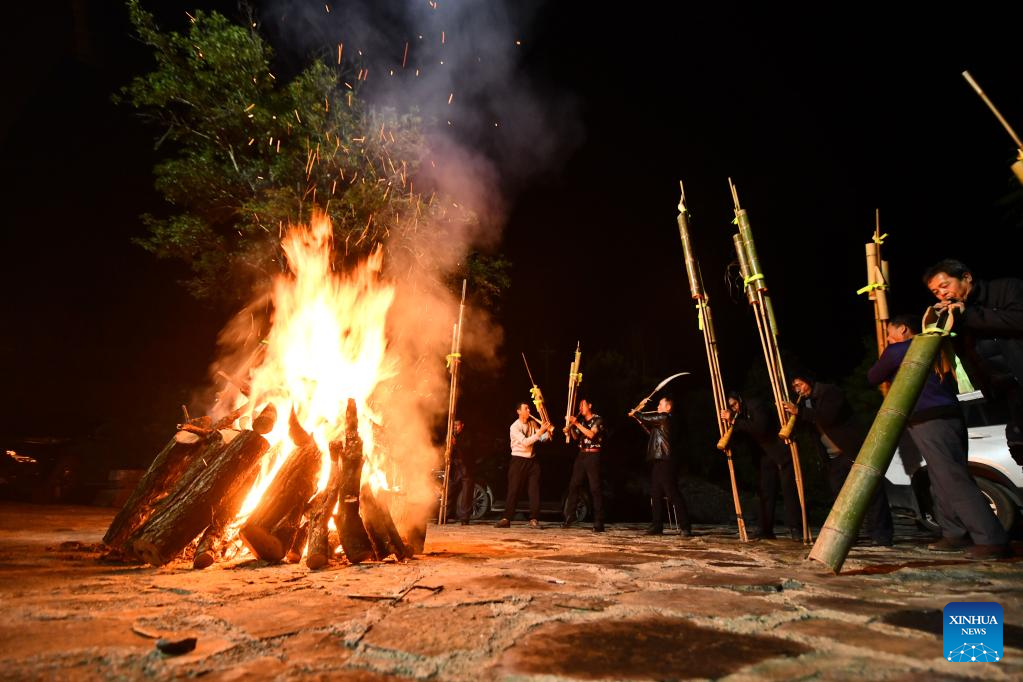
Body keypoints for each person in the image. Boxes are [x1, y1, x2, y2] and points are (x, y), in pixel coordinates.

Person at [867, 314, 1010, 559]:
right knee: (940, 477)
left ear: (903, 329)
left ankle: (991, 538)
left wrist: (889, 360)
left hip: (928, 419)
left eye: (890, 333)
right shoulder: (937, 346)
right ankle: (954, 533)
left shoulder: (900, 350)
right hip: (951, 414)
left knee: (953, 478)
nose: (888, 339)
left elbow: (872, 377)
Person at [924, 259, 1023, 472]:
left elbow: (1018, 320)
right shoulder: (958, 314)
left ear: (966, 277)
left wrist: (968, 315)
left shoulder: (1006, 288)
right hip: (1005, 392)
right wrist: (945, 323)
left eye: (945, 285)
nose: (942, 294)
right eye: (935, 292)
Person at [783, 374, 894, 546]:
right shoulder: (805, 402)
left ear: (808, 380)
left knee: (870, 490)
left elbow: (828, 417)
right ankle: (848, 534)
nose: (798, 390)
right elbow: (808, 425)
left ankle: (880, 534)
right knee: (841, 497)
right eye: (795, 387)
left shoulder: (830, 392)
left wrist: (800, 412)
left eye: (800, 384)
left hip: (852, 449)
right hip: (832, 457)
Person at [721, 391, 802, 541]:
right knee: (765, 492)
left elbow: (760, 428)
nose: (734, 408)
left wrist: (734, 420)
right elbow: (742, 435)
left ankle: (796, 528)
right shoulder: (739, 415)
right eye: (731, 407)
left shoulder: (756, 405)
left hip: (779, 451)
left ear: (740, 399)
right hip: (764, 456)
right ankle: (765, 529)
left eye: (735, 404)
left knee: (789, 491)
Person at [630, 397, 691, 536]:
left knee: (672, 493)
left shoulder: (664, 417)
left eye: (660, 404)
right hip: (659, 460)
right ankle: (657, 525)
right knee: (655, 494)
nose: (657, 406)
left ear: (668, 407)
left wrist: (637, 413)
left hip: (666, 460)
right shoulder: (662, 421)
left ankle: (685, 526)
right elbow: (652, 432)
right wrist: (638, 418)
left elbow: (647, 418)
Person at [495, 402, 553, 529]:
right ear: (519, 411)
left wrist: (548, 433)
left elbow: (541, 438)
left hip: (532, 461)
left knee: (534, 490)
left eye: (529, 408)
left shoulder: (532, 423)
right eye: (525, 409)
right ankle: (506, 518)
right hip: (518, 459)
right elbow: (526, 442)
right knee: (514, 490)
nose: (528, 410)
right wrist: (541, 432)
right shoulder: (514, 427)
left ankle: (534, 519)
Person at [562, 397, 606, 532]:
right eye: (579, 406)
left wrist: (575, 423)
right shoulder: (580, 421)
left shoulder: (598, 419)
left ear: (590, 405)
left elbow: (591, 434)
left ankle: (599, 521)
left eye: (583, 405)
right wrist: (569, 428)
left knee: (595, 488)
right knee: (573, 485)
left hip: (593, 455)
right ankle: (570, 516)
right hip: (581, 454)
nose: (580, 408)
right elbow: (576, 437)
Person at [448, 420, 475, 525]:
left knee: (466, 493)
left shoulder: (467, 436)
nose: (455, 427)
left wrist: (456, 443)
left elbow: (468, 448)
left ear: (462, 425)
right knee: (449, 490)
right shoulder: (450, 435)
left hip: (465, 466)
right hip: (455, 467)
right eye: (454, 425)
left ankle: (464, 518)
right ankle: (447, 514)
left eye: (457, 425)